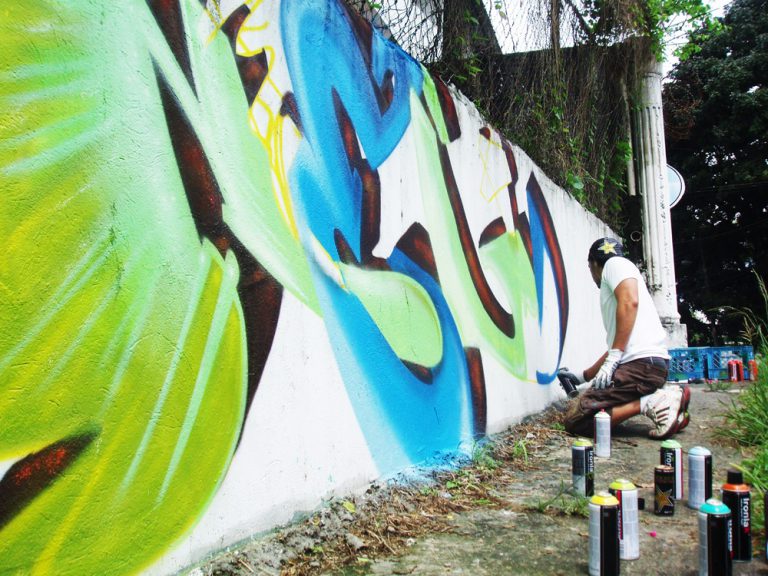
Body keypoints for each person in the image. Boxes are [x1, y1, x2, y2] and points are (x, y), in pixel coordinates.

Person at [559, 237, 690, 439]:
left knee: (577, 421)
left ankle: (653, 402)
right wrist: (583, 376)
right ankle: (668, 407)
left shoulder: (615, 264)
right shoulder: (624, 311)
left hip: (638, 368)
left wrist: (614, 357)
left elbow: (629, 302)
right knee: (592, 409)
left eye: (589, 267)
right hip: (649, 367)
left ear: (594, 263)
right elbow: (617, 348)